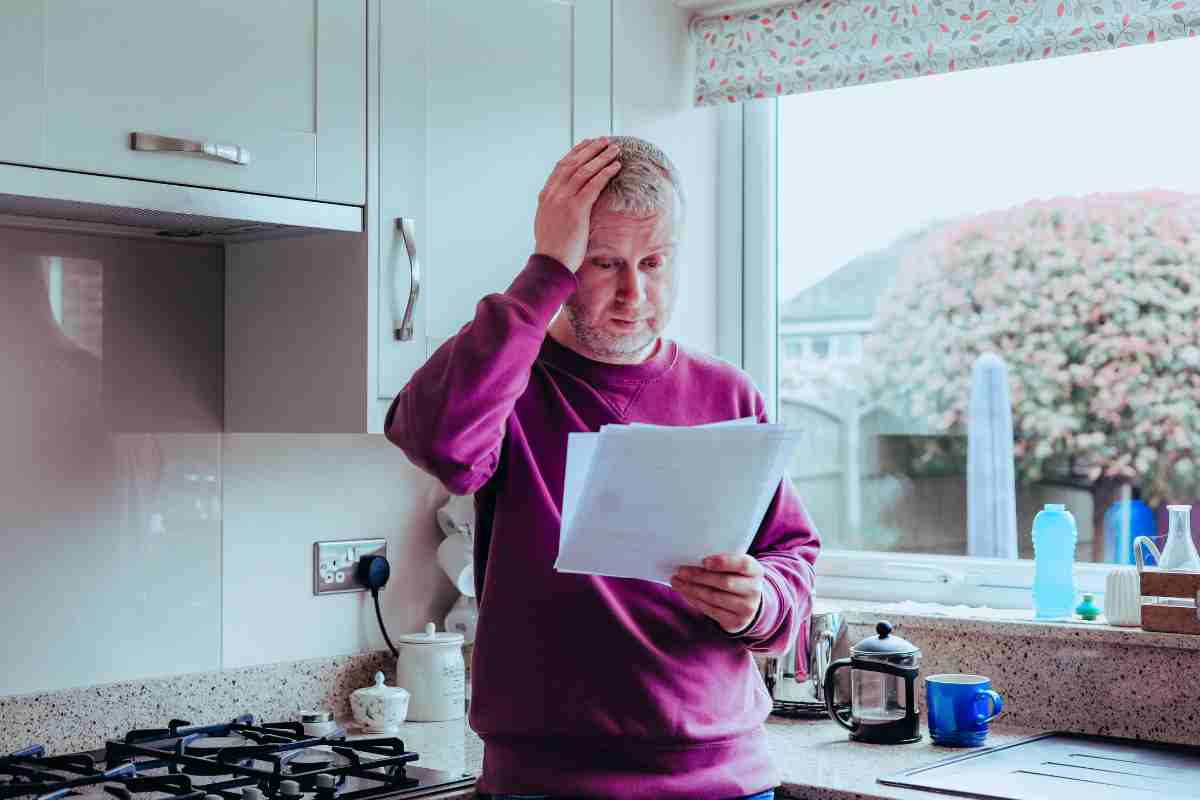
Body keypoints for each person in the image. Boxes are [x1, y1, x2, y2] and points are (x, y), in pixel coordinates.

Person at [385, 136, 820, 799]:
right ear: (564, 263)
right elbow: (441, 443)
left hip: (725, 781)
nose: (633, 294)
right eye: (603, 263)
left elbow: (791, 557)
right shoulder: (511, 381)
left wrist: (759, 601)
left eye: (654, 262)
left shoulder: (728, 394)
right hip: (545, 785)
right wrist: (542, 270)